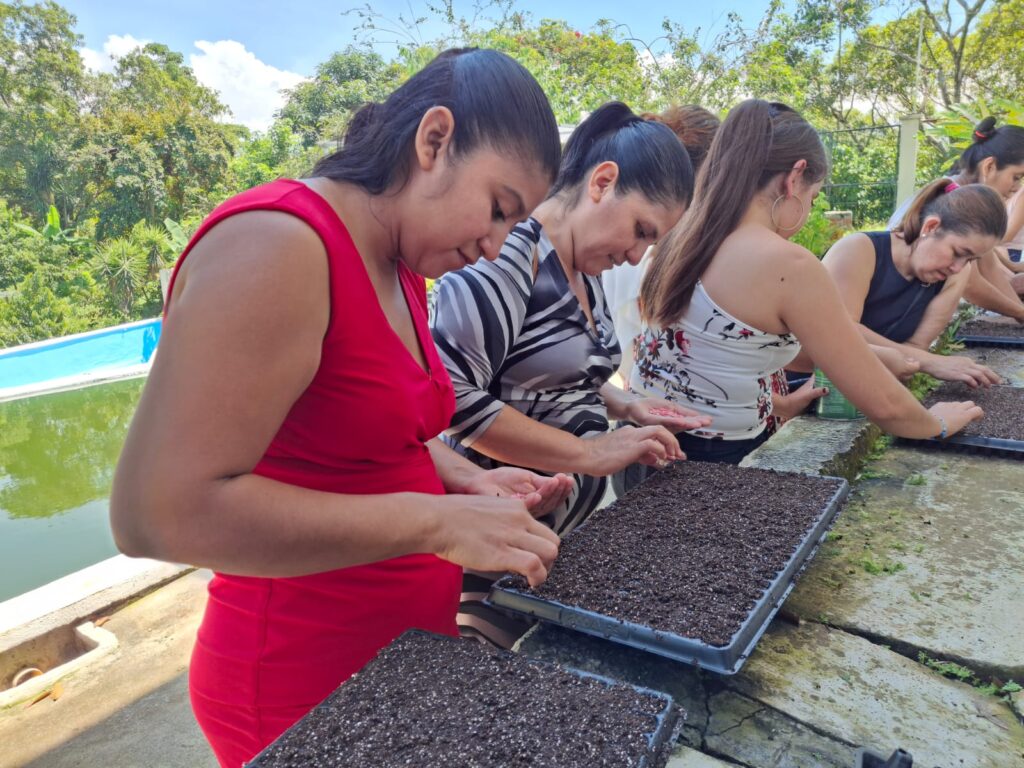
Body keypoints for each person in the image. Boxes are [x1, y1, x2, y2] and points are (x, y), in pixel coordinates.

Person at [110, 48, 574, 768]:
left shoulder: (398, 263)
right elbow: (157, 514)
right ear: (434, 140)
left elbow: (369, 425)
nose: (493, 248)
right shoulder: (278, 243)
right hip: (298, 682)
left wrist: (465, 480)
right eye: (497, 209)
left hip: (392, 664)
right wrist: (434, 521)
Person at [430, 101, 709, 647]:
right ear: (602, 182)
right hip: (492, 546)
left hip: (552, 535)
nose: (637, 256)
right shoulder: (509, 255)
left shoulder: (583, 265)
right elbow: (452, 397)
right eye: (641, 231)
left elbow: (558, 368)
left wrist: (625, 406)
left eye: (651, 243)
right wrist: (589, 453)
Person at [626, 100, 983, 479]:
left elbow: (712, 352)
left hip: (639, 449)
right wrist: (935, 423)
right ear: (794, 177)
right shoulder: (788, 264)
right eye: (813, 197)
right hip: (710, 465)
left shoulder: (681, 237)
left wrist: (776, 403)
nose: (809, 209)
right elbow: (883, 402)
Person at [822, 179, 1005, 387]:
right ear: (931, 226)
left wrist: (918, 362)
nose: (958, 267)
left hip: (865, 386)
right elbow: (839, 331)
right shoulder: (858, 250)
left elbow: (915, 349)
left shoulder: (955, 276)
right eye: (957, 253)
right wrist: (931, 362)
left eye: (970, 260)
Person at [889, 118, 1024, 322]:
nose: (1017, 187)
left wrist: (1019, 313)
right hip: (896, 305)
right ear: (989, 166)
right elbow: (970, 284)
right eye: (1016, 177)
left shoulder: (970, 200)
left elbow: (990, 270)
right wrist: (1019, 313)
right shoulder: (959, 202)